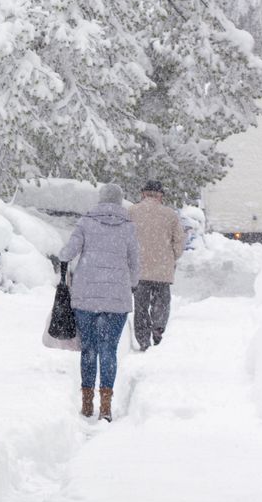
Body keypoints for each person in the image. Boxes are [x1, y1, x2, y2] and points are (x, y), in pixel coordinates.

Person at [59, 183, 139, 421]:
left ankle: (86, 403)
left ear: (100, 199)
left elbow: (66, 253)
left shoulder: (86, 222)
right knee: (109, 351)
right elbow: (135, 265)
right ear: (120, 201)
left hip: (86, 297)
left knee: (89, 349)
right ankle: (105, 405)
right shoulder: (128, 228)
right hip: (117, 299)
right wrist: (129, 284)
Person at [128, 179, 184, 348]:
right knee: (162, 302)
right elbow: (179, 242)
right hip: (162, 269)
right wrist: (172, 256)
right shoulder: (170, 215)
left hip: (139, 269)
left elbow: (124, 238)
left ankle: (143, 339)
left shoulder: (131, 212)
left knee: (141, 306)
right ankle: (158, 329)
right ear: (160, 195)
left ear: (143, 194)